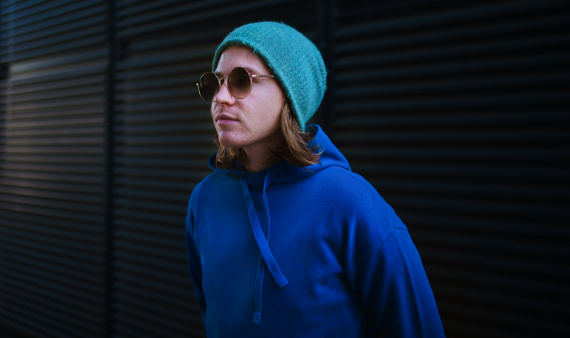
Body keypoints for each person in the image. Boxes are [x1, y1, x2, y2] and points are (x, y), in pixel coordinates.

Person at [185, 21, 445, 338]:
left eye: (242, 81)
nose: (221, 97)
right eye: (215, 82)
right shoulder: (205, 199)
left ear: (290, 96)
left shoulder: (350, 202)